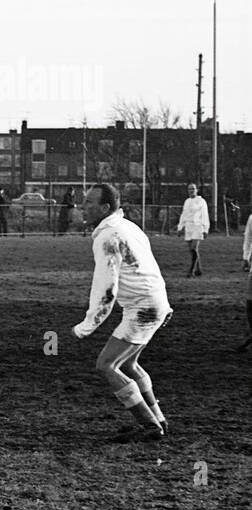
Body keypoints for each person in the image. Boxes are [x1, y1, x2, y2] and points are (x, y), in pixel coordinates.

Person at [73, 183, 172, 442]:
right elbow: (150, 266)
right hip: (154, 302)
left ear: (105, 208)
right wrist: (164, 304)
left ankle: (149, 425)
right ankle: (158, 418)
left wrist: (88, 324)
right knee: (129, 364)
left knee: (106, 365)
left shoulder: (108, 236)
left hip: (143, 308)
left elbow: (107, 287)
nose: (84, 207)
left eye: (89, 203)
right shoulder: (129, 227)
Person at [177, 183, 210, 278]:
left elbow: (205, 215)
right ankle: (199, 270)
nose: (191, 191)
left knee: (194, 248)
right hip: (188, 227)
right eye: (189, 189)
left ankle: (191, 271)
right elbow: (184, 215)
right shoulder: (187, 201)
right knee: (192, 250)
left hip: (197, 227)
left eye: (193, 189)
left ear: (197, 190)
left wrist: (205, 229)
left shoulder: (201, 201)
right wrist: (180, 227)